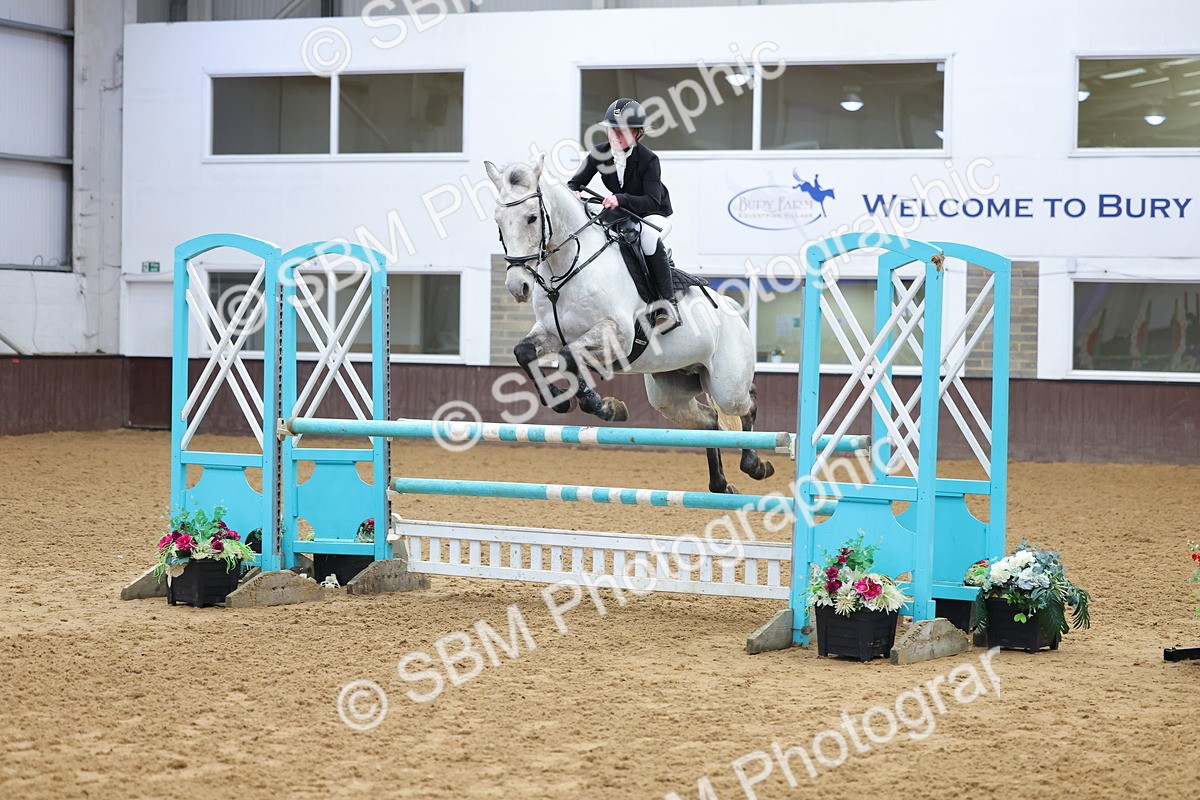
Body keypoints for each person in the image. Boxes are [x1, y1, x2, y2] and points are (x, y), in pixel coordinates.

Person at [568, 98, 680, 330]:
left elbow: (652, 200)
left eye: (623, 132)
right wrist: (573, 194)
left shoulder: (649, 159)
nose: (616, 136)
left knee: (648, 239)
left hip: (652, 213)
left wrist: (621, 199)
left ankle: (668, 304)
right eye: (613, 130)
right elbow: (574, 183)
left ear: (637, 133)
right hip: (622, 213)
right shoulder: (600, 153)